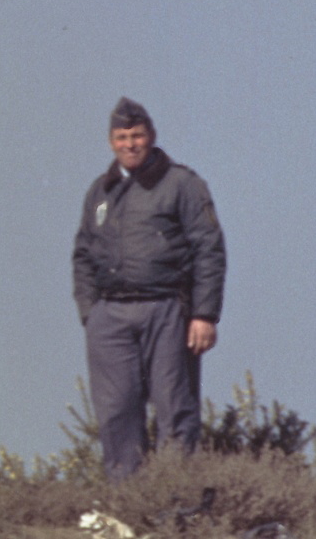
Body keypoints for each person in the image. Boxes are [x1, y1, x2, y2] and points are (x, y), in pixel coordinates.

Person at [71, 97, 226, 480]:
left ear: (151, 136)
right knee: (116, 410)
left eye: (137, 135)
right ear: (111, 141)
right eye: (122, 137)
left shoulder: (182, 184)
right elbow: (82, 254)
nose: (130, 144)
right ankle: (129, 503)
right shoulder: (100, 191)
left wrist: (204, 314)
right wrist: (92, 315)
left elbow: (209, 248)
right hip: (110, 317)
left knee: (175, 407)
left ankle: (176, 501)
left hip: (167, 312)